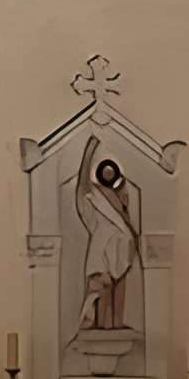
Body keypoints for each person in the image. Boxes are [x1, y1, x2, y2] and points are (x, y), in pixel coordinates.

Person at [74, 139, 140, 332]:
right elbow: (82, 188)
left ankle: (116, 324)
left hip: (121, 251)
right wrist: (89, 151)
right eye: (106, 173)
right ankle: (102, 325)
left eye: (112, 173)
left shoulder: (121, 198)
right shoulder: (92, 198)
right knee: (103, 288)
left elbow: (128, 225)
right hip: (102, 250)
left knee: (119, 289)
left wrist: (125, 206)